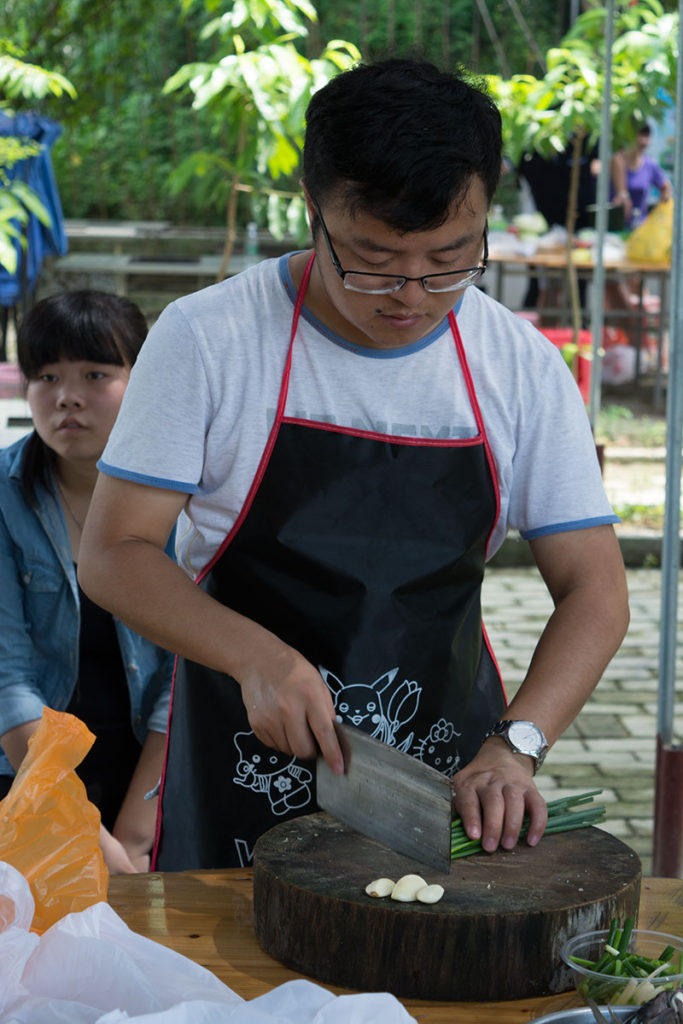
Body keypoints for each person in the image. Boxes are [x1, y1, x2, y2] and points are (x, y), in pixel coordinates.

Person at [79, 59, 629, 872]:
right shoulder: (209, 339)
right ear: (313, 210)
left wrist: (515, 744)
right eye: (370, 261)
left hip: (441, 779)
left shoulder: (518, 364)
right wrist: (254, 658)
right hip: (242, 760)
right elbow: (115, 553)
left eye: (450, 260)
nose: (409, 294)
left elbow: (596, 589)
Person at [0, 290, 174, 874]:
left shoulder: (187, 498)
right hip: (26, 775)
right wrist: (95, 839)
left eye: (95, 374)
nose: (66, 397)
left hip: (152, 776)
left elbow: (187, 674)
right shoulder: (4, 496)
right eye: (45, 375)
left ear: (143, 378)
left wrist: (136, 836)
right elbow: (8, 681)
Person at [611, 122, 672, 229]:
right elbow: (621, 192)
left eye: (646, 136)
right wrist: (622, 196)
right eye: (640, 136)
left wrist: (659, 214)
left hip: (639, 228)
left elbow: (665, 187)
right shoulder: (618, 160)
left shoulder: (650, 165)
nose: (643, 142)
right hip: (615, 227)